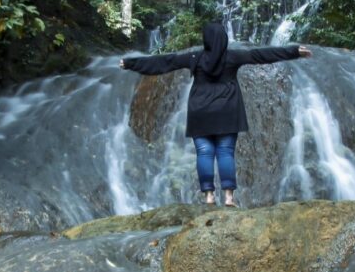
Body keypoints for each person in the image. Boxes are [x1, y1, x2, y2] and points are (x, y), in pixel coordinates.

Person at [120, 22, 312, 207]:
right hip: (227, 111)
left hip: (200, 112)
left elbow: (163, 62)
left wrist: (130, 63)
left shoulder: (194, 58)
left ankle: (209, 196)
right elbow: (261, 55)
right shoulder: (233, 57)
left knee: (204, 152)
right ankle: (228, 197)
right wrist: (294, 51)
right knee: (225, 152)